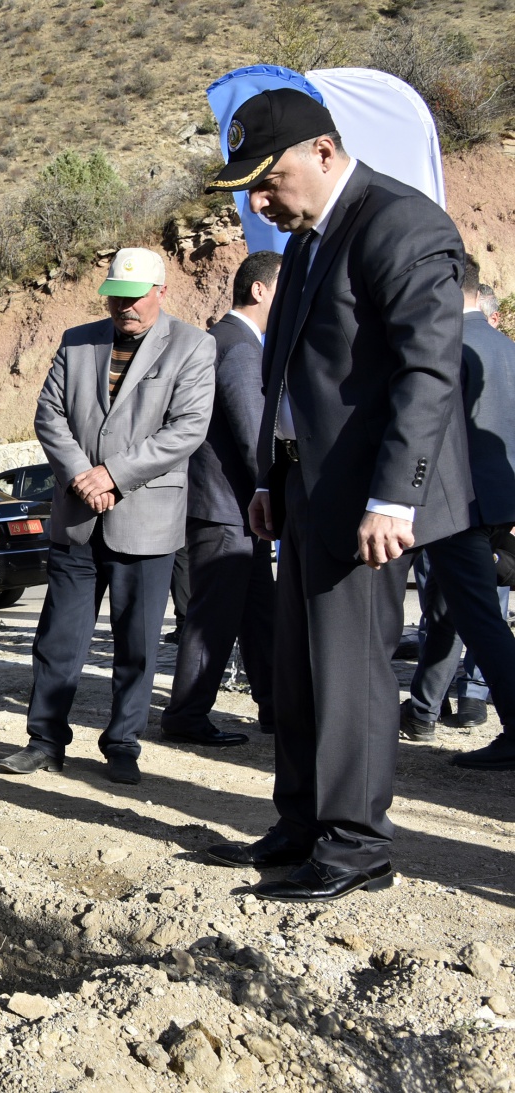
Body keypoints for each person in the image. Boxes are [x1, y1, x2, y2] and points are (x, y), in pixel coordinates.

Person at [201, 89, 471, 902]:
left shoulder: (401, 223)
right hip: (305, 493)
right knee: (300, 667)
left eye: (269, 178)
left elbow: (427, 372)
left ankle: (355, 843)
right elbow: (287, 374)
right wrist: (267, 478)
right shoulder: (311, 239)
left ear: (324, 151)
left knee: (352, 668)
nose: (260, 201)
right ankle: (302, 822)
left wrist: (395, 497)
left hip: (370, 503)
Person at [0, 247, 215, 785]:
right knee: (58, 641)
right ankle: (45, 740)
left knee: (136, 644)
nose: (125, 308)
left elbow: (186, 429)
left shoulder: (193, 346)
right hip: (77, 516)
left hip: (146, 521)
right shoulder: (78, 341)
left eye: (135, 298)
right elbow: (49, 414)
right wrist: (80, 475)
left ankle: (122, 743)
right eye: (116, 297)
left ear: (162, 292)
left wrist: (112, 474)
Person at [161, 250, 283, 745]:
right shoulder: (238, 346)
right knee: (212, 618)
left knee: (261, 615)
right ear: (259, 290)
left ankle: (279, 708)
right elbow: (252, 431)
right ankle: (186, 716)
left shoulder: (223, 341)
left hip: (234, 511)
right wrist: (275, 487)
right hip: (225, 508)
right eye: (285, 288)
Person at [400, 257, 515, 757]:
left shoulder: (448, 347)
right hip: (497, 503)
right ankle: (423, 710)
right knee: (451, 610)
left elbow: (428, 429)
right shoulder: (504, 344)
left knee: (478, 619)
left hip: (456, 504)